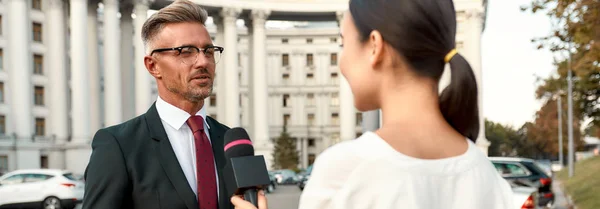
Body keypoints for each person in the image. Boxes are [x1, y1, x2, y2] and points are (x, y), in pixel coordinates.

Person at [232, 0, 515, 209]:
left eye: (343, 43)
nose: (341, 62)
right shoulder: (489, 177)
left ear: (375, 46)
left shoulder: (346, 169)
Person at [82, 1, 233, 209]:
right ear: (153, 66)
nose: (203, 62)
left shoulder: (232, 142)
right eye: (186, 51)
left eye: (208, 51)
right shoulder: (118, 146)